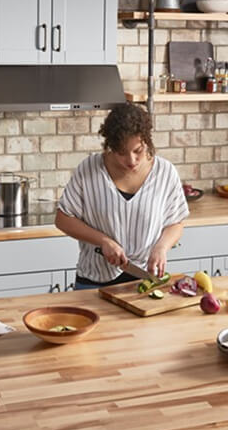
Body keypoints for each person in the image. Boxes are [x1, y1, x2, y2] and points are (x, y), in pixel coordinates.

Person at [55, 103, 189, 291]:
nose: (131, 160)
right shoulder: (90, 169)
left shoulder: (165, 172)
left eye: (138, 151)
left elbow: (176, 222)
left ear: (147, 141)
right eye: (121, 153)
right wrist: (103, 241)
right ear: (110, 146)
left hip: (144, 282)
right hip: (94, 282)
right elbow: (63, 219)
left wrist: (161, 247)